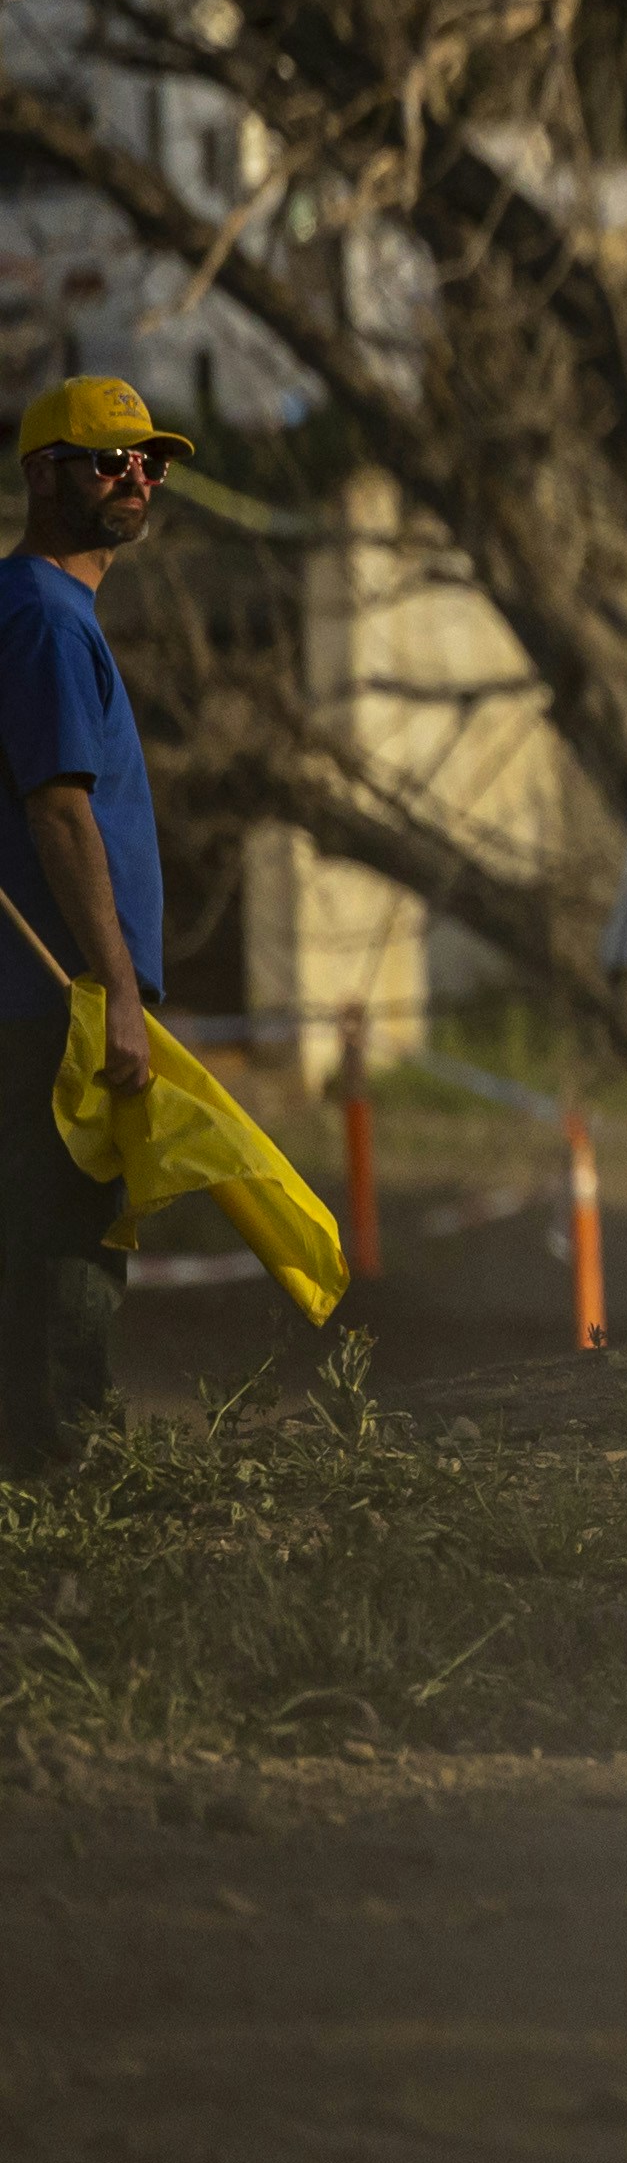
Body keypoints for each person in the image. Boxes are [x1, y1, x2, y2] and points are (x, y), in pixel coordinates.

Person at [0, 375, 182, 1469]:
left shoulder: (40, 612)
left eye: (149, 461)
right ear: (40, 473)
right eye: (110, 458)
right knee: (70, 1231)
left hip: (39, 1000)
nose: (136, 477)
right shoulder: (43, 619)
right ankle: (60, 1467)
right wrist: (116, 986)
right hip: (52, 1003)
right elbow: (60, 810)